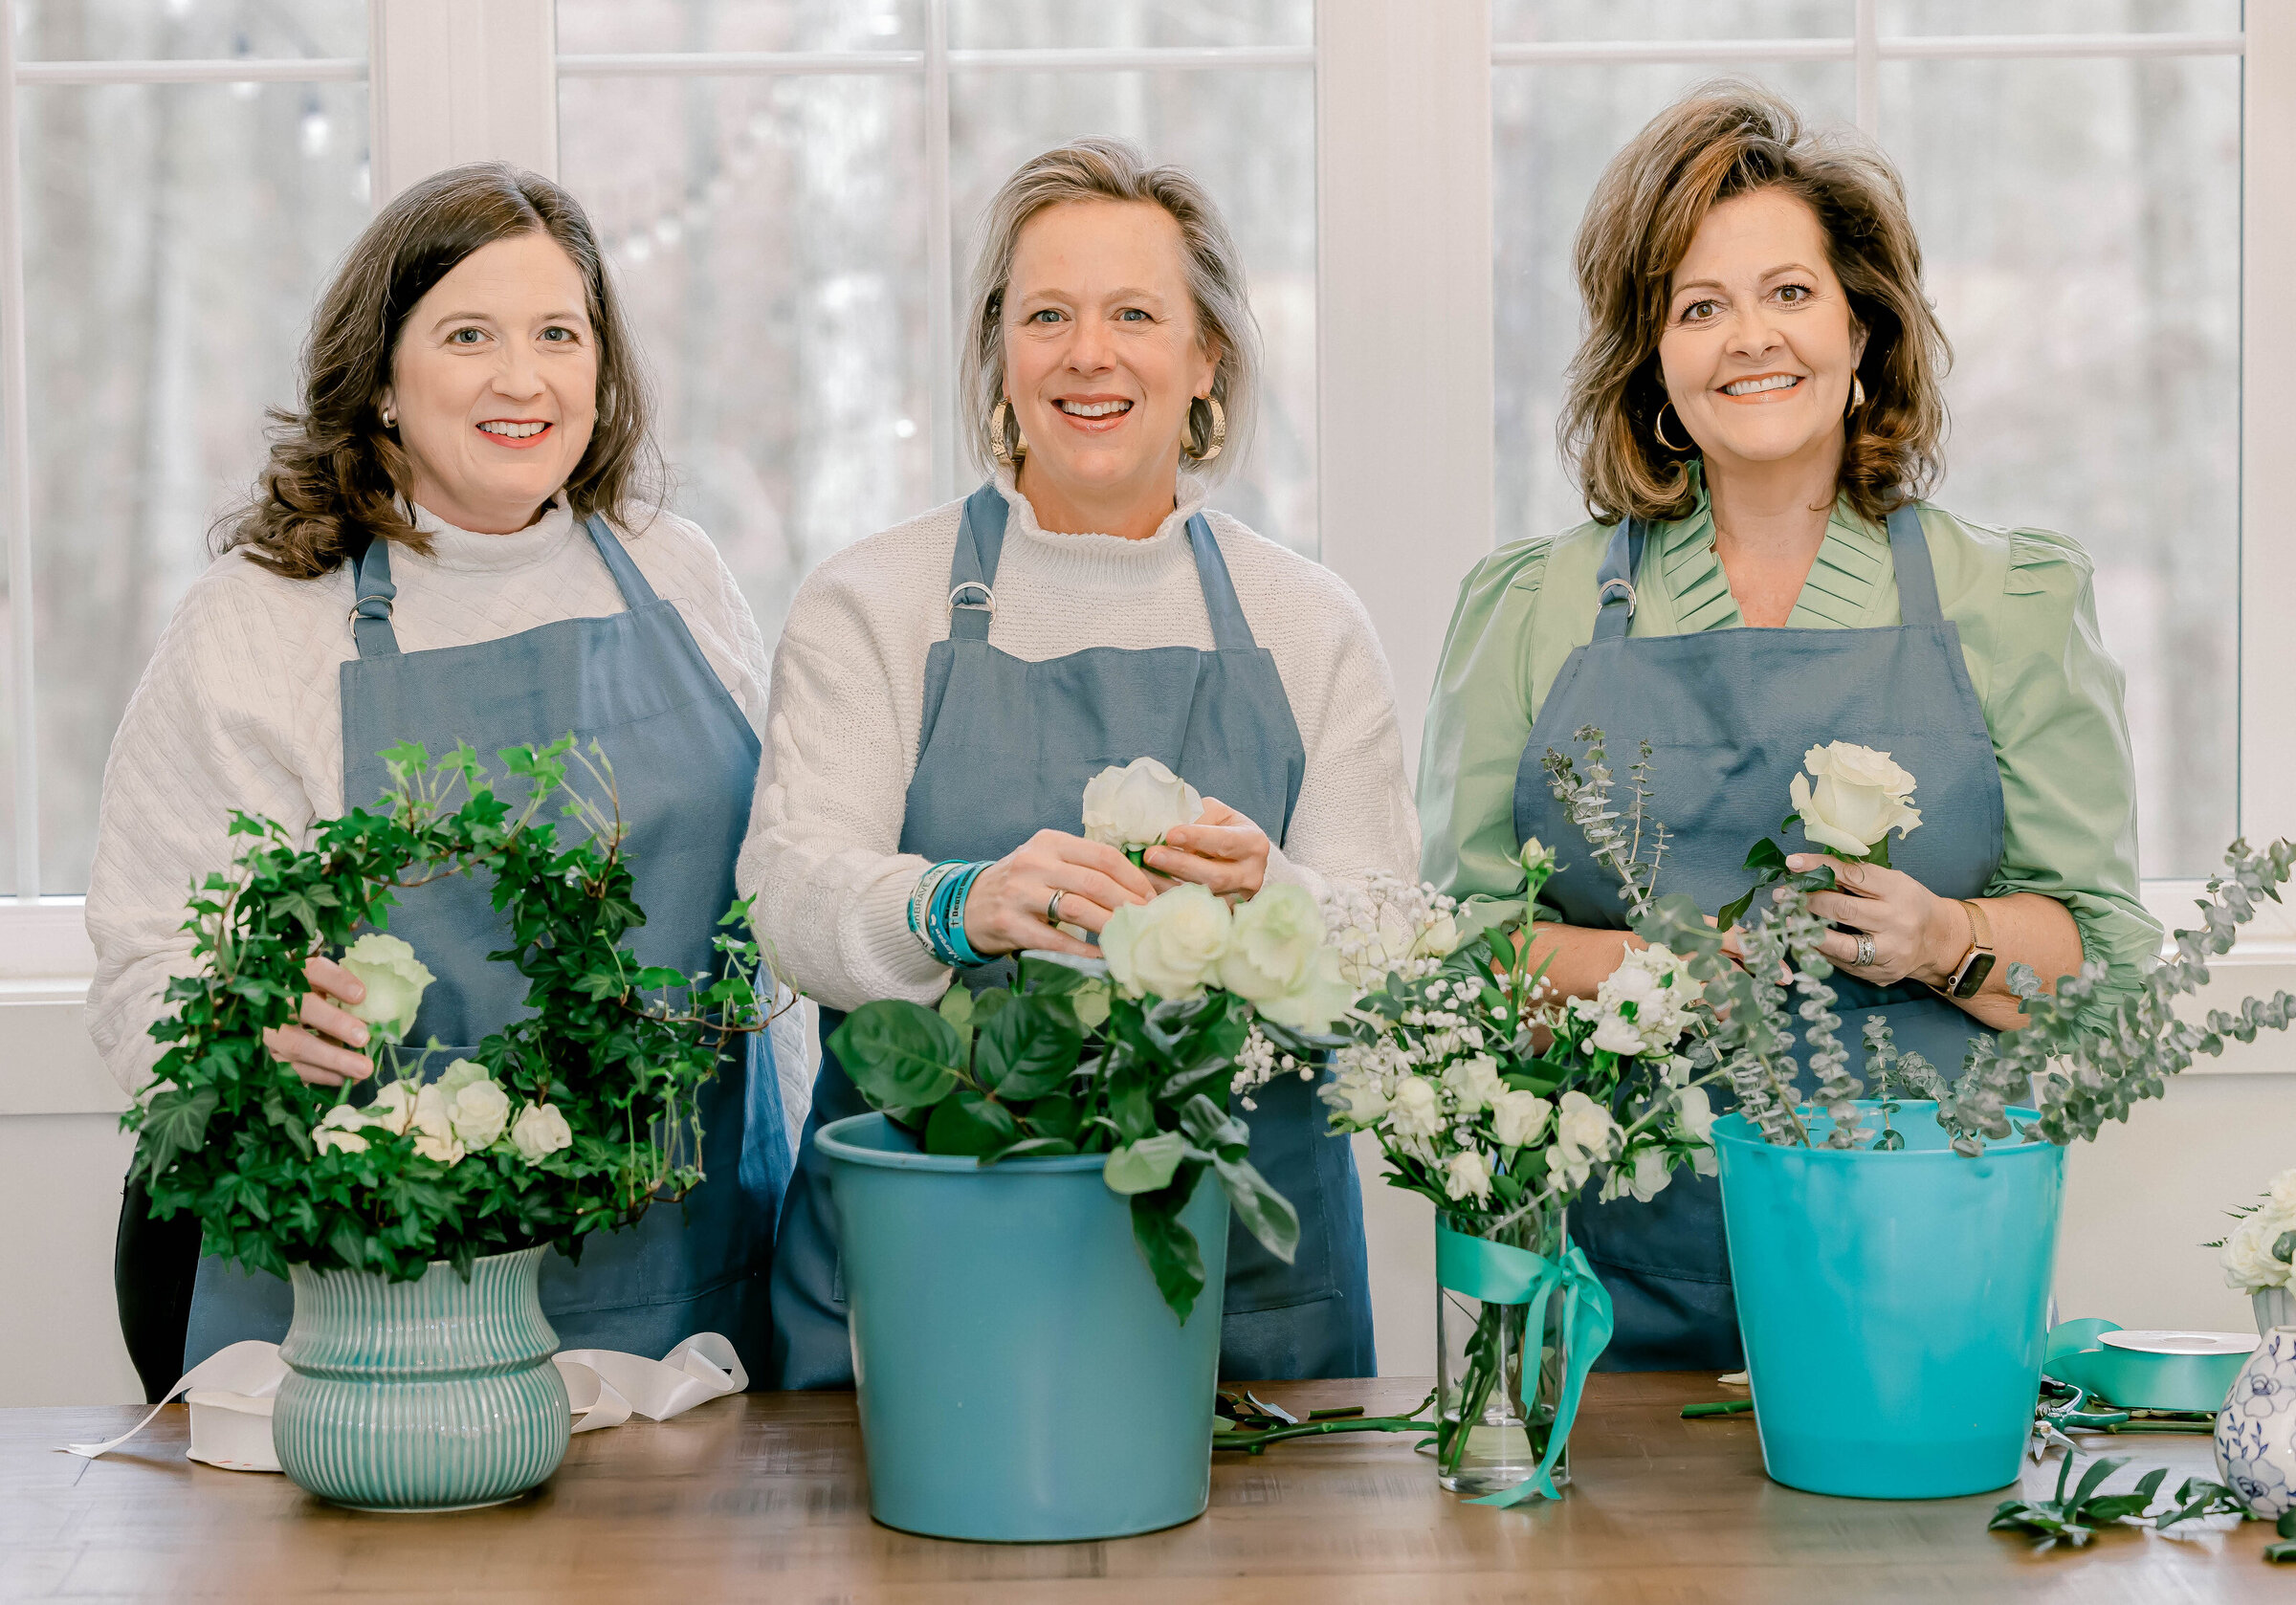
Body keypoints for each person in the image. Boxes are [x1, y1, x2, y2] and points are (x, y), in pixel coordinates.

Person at [1418, 85, 2160, 1371]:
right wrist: (1668, 968)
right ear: (1651, 360)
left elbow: (2103, 964)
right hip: (1603, 1302)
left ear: (1863, 327)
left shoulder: (2012, 599)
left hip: (1922, 1291)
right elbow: (1458, 963)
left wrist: (1944, 938)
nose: (1748, 339)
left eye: (1790, 293)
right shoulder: (1530, 608)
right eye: (1698, 307)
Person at [86, 163, 796, 1391]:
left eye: (558, 335)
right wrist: (242, 1027)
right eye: (469, 334)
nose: (523, 378)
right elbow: (146, 962)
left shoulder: (677, 575)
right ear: (382, 381)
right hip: (368, 1313)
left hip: (684, 1297)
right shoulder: (263, 621)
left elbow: (783, 888)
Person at [745, 137, 1418, 1389]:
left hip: (1244, 1297)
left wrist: (1276, 893)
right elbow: (788, 903)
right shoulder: (871, 603)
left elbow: (1395, 949)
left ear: (1205, 355)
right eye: (1046, 313)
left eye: (1134, 314)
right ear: (1000, 352)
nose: (1088, 353)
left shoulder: (1307, 620)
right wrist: (957, 904)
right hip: (926, 1269)